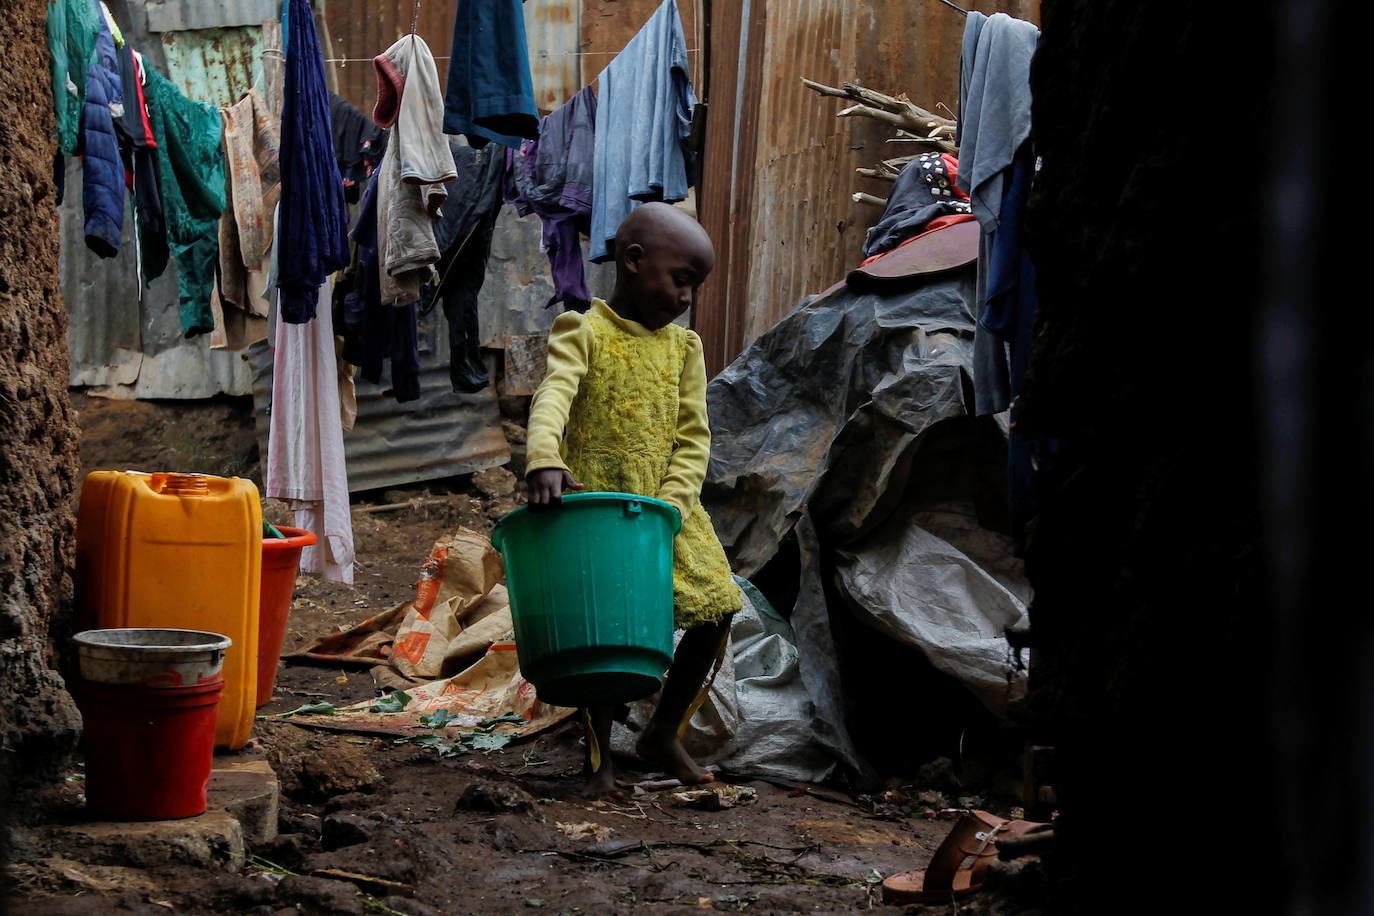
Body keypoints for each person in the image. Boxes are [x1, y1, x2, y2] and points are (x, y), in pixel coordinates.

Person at [524, 202, 742, 797]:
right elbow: (553, 396)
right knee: (603, 626)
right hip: (598, 502)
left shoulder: (684, 349)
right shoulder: (582, 331)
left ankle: (662, 731)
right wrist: (545, 457)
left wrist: (671, 504)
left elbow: (693, 436)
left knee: (718, 605)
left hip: (667, 511)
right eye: (681, 279)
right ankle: (598, 761)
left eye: (694, 286)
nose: (686, 297)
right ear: (634, 261)